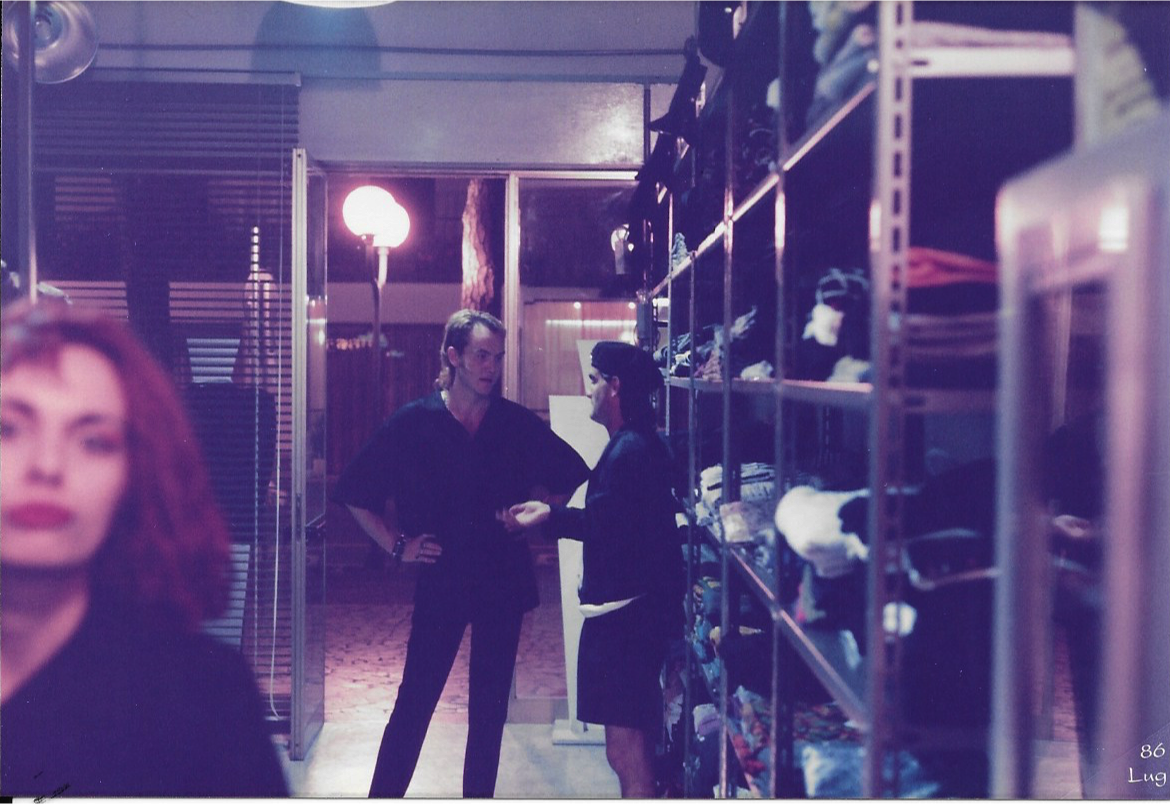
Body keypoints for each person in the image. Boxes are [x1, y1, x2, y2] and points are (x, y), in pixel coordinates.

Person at [0, 299, 288, 798]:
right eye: (7, 429)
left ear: (133, 479)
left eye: (93, 441)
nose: (47, 466)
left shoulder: (206, 701)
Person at [333, 308, 589, 798]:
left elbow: (571, 474)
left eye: (497, 356)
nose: (491, 367)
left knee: (489, 713)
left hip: (502, 578)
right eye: (481, 356)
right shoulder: (414, 422)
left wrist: (534, 518)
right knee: (414, 703)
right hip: (443, 578)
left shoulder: (514, 423)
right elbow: (354, 492)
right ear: (453, 356)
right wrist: (399, 545)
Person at [505, 340, 682, 798]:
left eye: (595, 379)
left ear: (615, 386)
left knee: (627, 750)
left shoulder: (630, 451)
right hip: (626, 617)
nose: (589, 389)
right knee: (625, 748)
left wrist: (549, 516)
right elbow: (615, 521)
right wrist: (550, 514)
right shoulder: (631, 444)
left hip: (626, 622)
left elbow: (610, 528)